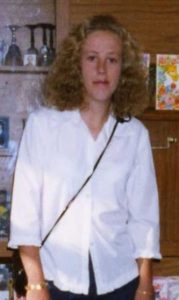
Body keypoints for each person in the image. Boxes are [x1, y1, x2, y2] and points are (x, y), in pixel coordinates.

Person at [9, 14, 161, 300]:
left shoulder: (134, 135)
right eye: (92, 58)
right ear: (76, 66)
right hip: (55, 280)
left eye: (112, 60)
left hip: (119, 280)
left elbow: (144, 219)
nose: (102, 69)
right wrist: (36, 284)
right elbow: (26, 216)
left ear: (124, 70)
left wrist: (144, 285)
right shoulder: (43, 126)